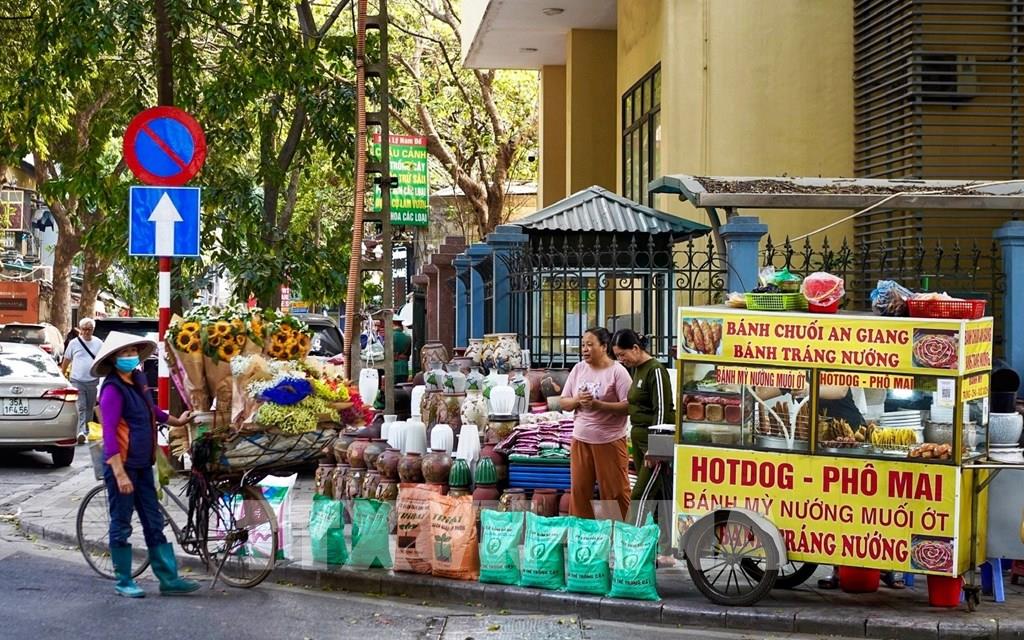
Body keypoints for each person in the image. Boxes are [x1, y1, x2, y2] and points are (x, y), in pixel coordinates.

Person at [93, 331, 200, 598]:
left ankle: (169, 579)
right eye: (124, 353)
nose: (130, 356)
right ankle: (124, 580)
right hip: (123, 466)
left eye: (133, 352)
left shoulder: (138, 380)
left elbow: (151, 410)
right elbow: (109, 434)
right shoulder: (112, 389)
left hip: (143, 465)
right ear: (114, 359)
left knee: (154, 521)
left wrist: (177, 421)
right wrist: (119, 473)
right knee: (122, 523)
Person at [612, 329, 676, 563]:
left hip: (654, 443)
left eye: (623, 354)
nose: (621, 360)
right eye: (618, 356)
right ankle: (666, 551)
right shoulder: (637, 370)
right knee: (660, 495)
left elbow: (662, 410)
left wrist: (656, 447)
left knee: (641, 496)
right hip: (639, 439)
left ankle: (630, 549)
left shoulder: (655, 370)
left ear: (636, 348)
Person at [560, 327, 633, 520]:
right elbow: (564, 402)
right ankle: (582, 533)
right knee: (580, 492)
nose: (584, 349)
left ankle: (620, 532)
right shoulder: (578, 369)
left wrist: (598, 405)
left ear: (604, 346)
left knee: (615, 493)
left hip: (610, 440)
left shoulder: (618, 372)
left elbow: (628, 406)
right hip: (581, 439)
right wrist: (578, 400)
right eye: (583, 345)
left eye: (590, 345)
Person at [60, 318, 103, 444]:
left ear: (93, 329)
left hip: (93, 380)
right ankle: (81, 432)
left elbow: (103, 360)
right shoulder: (74, 343)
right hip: (77, 380)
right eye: (84, 329)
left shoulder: (99, 343)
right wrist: (62, 374)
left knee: (90, 407)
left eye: (89, 329)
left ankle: (87, 430)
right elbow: (66, 360)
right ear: (80, 329)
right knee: (81, 406)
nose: (87, 332)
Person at [392, 319, 411, 383]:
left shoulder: (390, 336)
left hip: (393, 368)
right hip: (404, 367)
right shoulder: (408, 337)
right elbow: (408, 354)